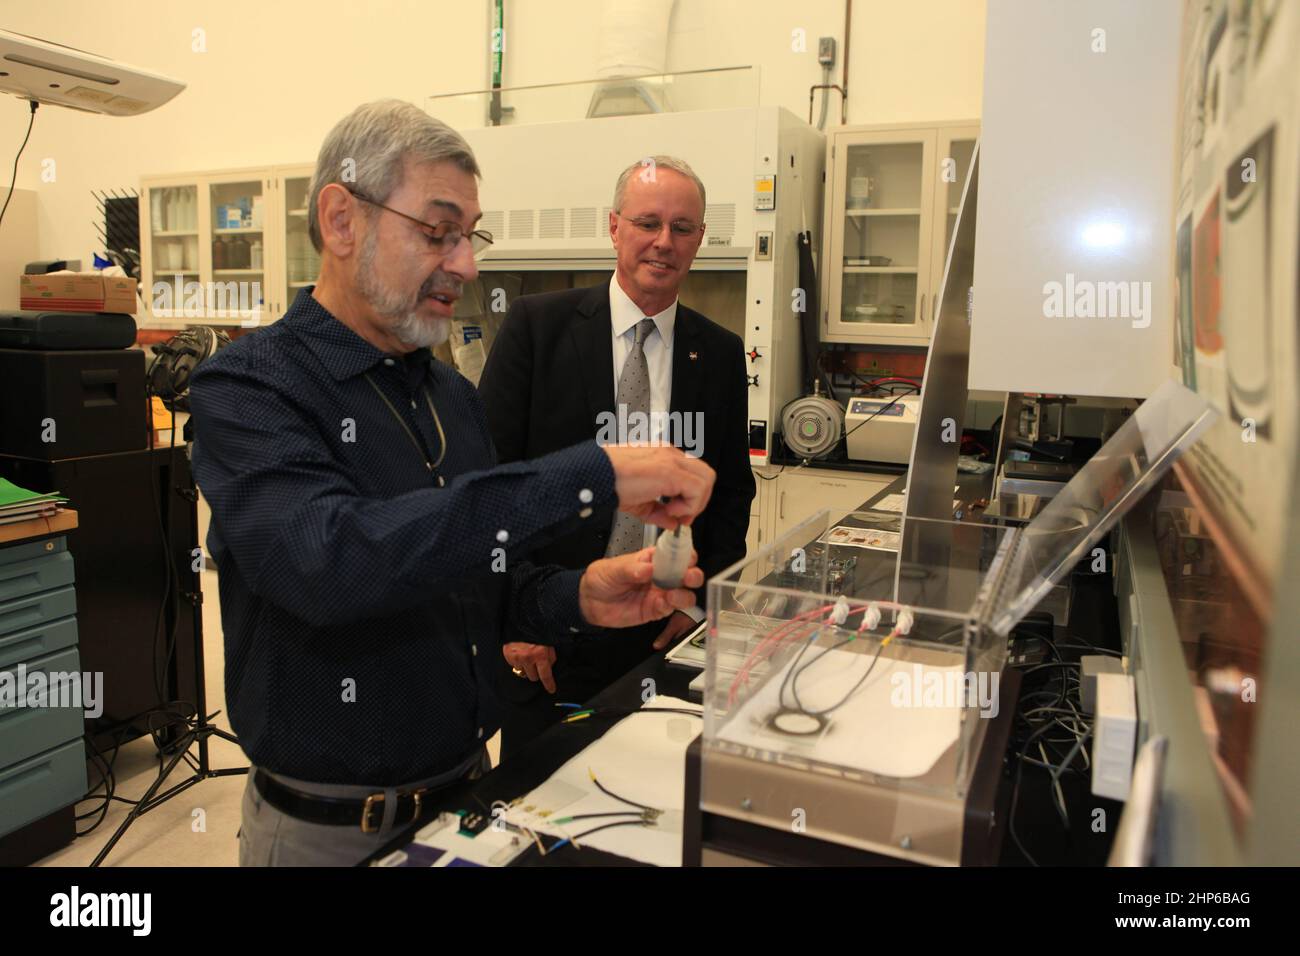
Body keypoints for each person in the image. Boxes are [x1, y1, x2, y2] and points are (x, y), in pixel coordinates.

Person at [188, 101, 715, 866]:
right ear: (342, 220)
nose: (466, 265)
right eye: (438, 233)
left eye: (471, 236)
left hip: (470, 801)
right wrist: (594, 472)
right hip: (331, 832)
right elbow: (332, 563)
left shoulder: (449, 398)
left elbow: (480, 578)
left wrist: (575, 594)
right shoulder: (251, 389)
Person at [478, 155, 754, 759]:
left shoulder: (721, 352)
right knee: (540, 818)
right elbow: (491, 483)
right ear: (614, 228)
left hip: (658, 633)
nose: (664, 242)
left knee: (648, 803)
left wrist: (702, 604)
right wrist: (515, 621)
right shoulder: (535, 327)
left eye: (683, 228)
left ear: (700, 239)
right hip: (549, 632)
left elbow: (732, 492)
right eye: (648, 222)